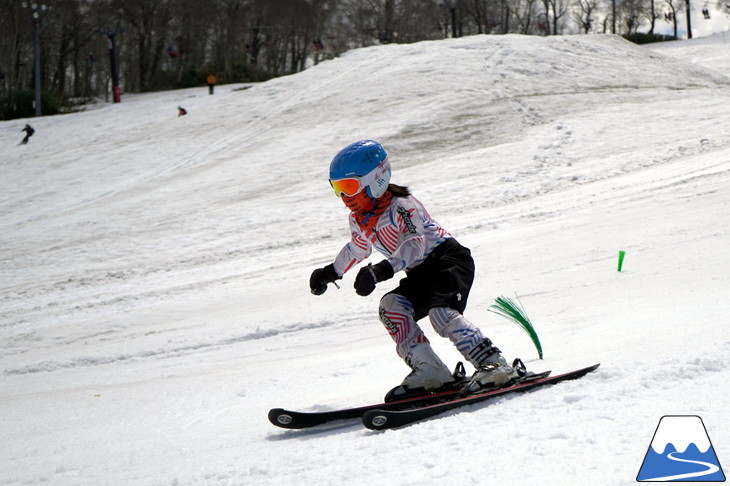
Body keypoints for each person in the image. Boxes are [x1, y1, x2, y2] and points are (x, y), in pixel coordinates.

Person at [309, 140, 520, 400]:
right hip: (419, 272)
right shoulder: (359, 219)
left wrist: (380, 272)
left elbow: (414, 245)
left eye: (349, 186)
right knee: (392, 306)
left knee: (441, 315)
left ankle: (495, 365)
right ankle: (431, 370)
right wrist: (330, 273)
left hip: (447, 261)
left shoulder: (402, 205)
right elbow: (357, 249)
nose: (345, 198)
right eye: (337, 188)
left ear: (375, 179)